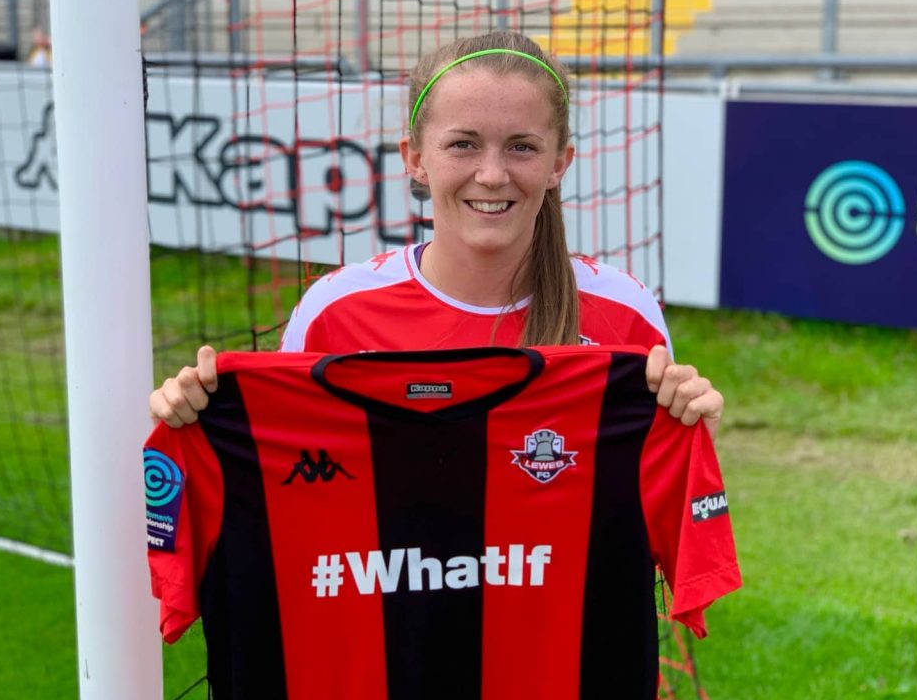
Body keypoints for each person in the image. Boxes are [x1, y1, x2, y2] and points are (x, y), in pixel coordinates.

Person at [149, 30, 725, 438]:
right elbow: (283, 485)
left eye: (522, 146)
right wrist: (195, 418)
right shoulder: (334, 313)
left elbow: (649, 517)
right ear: (415, 158)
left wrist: (693, 429)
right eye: (463, 144)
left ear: (560, 163)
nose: (493, 174)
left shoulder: (624, 313)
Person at [27, 0, 51, 68]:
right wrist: (37, 35)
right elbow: (35, 23)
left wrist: (50, 40)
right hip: (43, 48)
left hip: (60, 47)